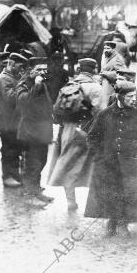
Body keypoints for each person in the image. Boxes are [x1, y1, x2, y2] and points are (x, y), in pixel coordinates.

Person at [85, 81, 137, 235]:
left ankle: (123, 222)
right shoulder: (104, 114)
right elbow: (92, 138)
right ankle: (112, 220)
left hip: (132, 164)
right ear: (119, 96)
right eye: (129, 96)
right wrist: (100, 158)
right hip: (108, 164)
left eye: (134, 96)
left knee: (128, 193)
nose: (133, 99)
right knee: (110, 192)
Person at [48, 58, 102, 210]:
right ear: (94, 70)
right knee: (95, 165)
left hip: (68, 130)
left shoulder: (68, 86)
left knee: (67, 164)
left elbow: (56, 112)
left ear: (79, 69)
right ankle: (95, 202)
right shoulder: (97, 88)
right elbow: (99, 113)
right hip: (89, 131)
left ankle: (71, 201)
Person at [16, 57, 54, 204]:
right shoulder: (23, 84)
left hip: (41, 131)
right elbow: (23, 103)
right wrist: (37, 85)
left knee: (41, 161)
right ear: (30, 70)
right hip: (30, 132)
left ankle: (36, 190)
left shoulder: (41, 83)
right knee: (32, 163)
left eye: (44, 69)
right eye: (39, 69)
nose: (42, 72)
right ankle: (30, 195)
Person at [0, 52, 27, 188]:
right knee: (9, 150)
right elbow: (11, 99)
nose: (21, 69)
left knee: (15, 149)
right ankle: (8, 177)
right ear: (12, 64)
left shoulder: (12, 77)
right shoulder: (4, 79)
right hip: (7, 122)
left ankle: (14, 175)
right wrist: (23, 84)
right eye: (19, 66)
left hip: (13, 121)